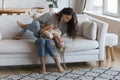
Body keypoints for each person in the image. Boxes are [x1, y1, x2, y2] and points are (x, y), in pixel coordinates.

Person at [14, 7, 78, 74]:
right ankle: (24, 27)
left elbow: (59, 36)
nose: (67, 20)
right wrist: (46, 27)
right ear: (63, 13)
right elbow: (35, 23)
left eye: (69, 19)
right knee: (36, 25)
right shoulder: (50, 15)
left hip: (50, 38)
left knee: (45, 42)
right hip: (39, 33)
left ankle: (54, 66)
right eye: (67, 17)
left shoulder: (65, 25)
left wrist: (54, 35)